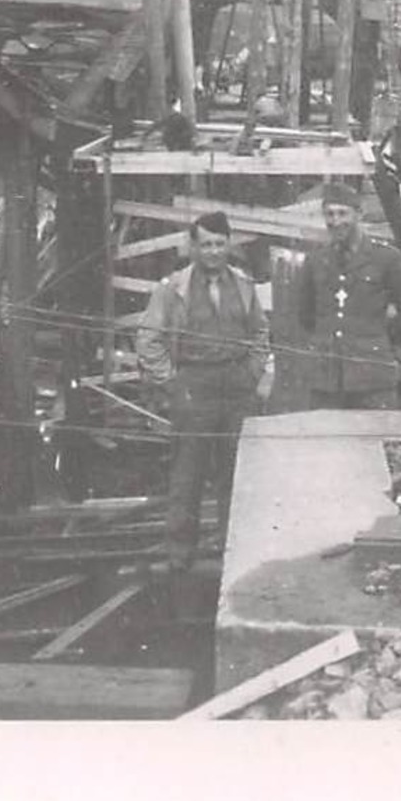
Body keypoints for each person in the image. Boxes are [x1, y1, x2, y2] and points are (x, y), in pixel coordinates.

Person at [136, 211, 272, 569]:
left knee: (236, 470)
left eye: (220, 244)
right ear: (193, 247)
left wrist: (253, 372)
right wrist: (172, 381)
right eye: (206, 244)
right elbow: (149, 338)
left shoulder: (243, 284)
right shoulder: (172, 288)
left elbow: (260, 332)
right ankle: (180, 552)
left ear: (229, 245)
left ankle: (235, 550)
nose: (213, 251)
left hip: (236, 386)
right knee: (188, 471)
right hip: (194, 385)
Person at [296, 181, 401, 409]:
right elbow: (305, 314)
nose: (336, 222)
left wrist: (377, 340)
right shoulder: (316, 261)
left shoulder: (387, 259)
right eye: (330, 214)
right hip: (326, 379)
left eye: (343, 214)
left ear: (359, 214)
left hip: (372, 378)